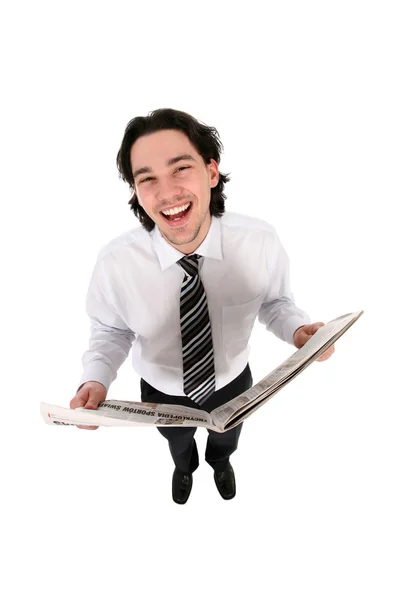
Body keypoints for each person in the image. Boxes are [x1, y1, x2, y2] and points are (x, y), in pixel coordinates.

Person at [69, 108, 335, 504]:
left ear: (211, 172)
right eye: (148, 179)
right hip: (160, 392)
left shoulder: (259, 241)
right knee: (176, 443)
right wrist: (95, 380)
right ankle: (184, 467)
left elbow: (276, 302)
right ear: (137, 193)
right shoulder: (116, 263)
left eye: (180, 169)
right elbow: (111, 330)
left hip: (234, 383)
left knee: (228, 437)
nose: (167, 193)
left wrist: (299, 331)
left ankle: (221, 462)